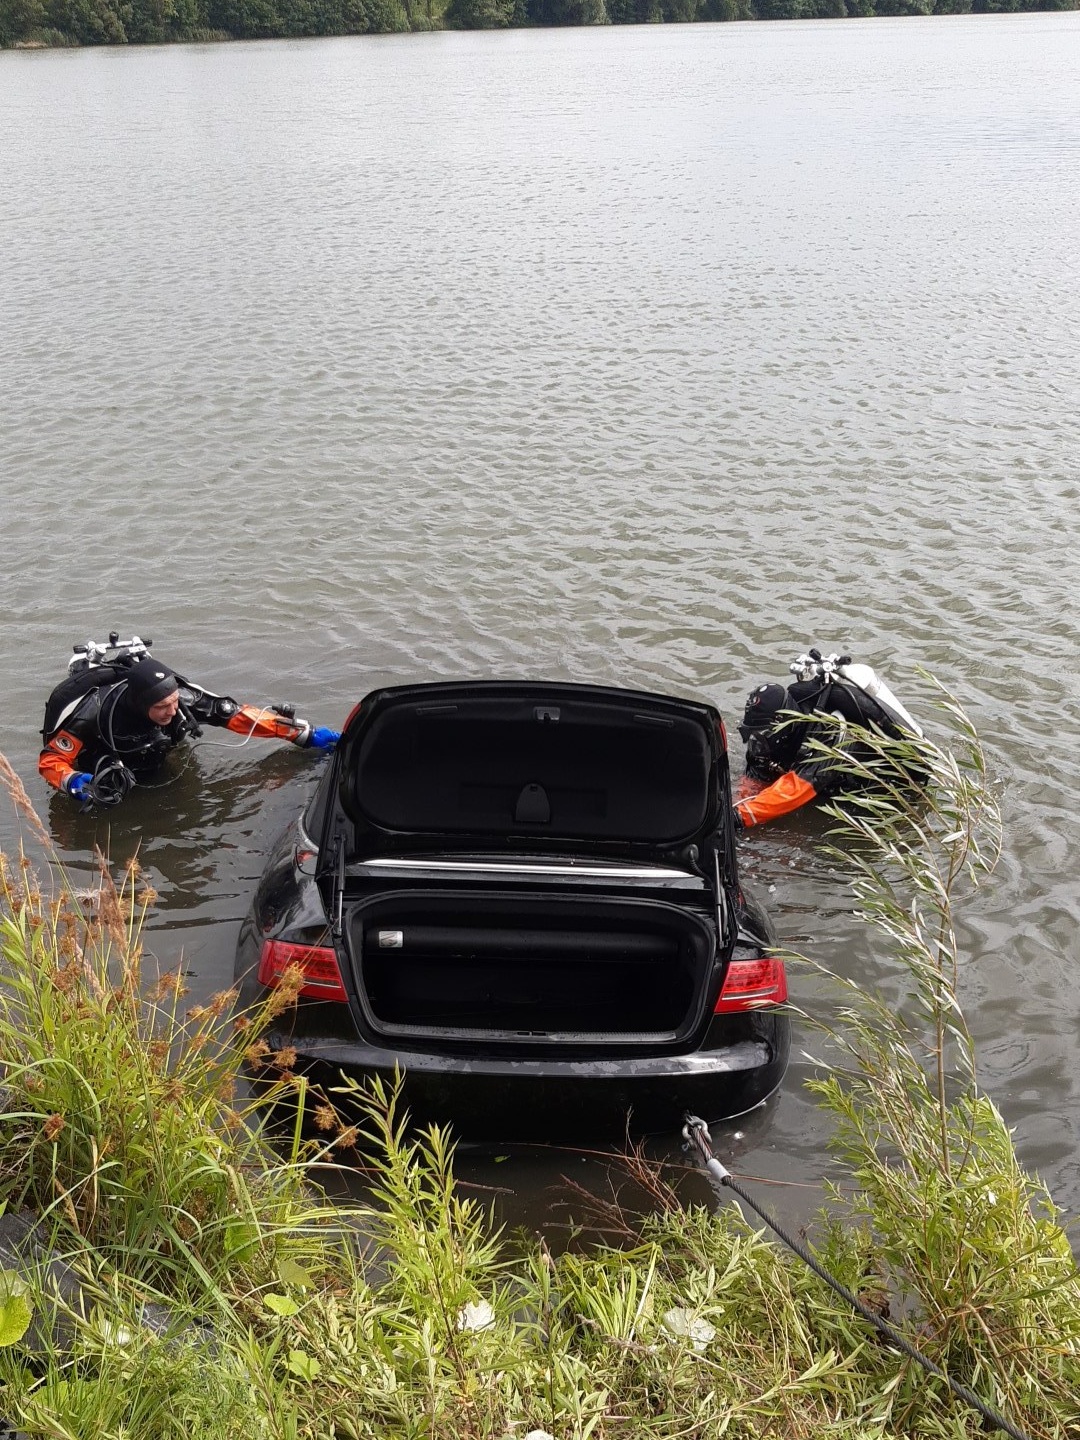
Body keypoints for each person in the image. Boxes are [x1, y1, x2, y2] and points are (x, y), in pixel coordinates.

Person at [40, 639, 340, 807]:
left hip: (153, 753)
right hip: (107, 761)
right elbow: (51, 759)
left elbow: (237, 715)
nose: (172, 711)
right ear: (140, 704)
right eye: (162, 707)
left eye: (174, 702)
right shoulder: (93, 714)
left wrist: (303, 733)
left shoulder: (180, 699)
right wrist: (73, 782)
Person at [733, 650, 922, 830]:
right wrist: (735, 806)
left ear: (781, 724)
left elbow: (799, 787)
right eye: (753, 734)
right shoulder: (768, 736)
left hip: (874, 792)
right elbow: (755, 778)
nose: (757, 741)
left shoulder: (829, 731)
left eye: (762, 734)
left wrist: (740, 817)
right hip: (819, 780)